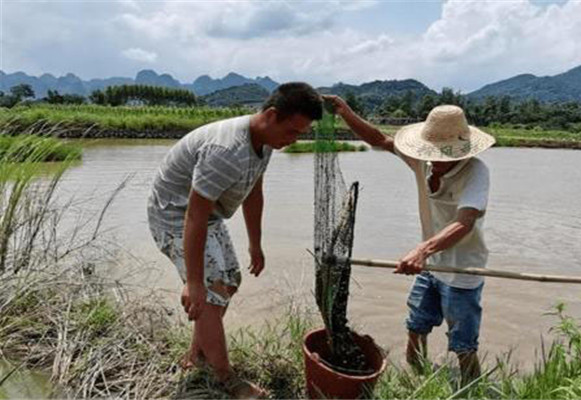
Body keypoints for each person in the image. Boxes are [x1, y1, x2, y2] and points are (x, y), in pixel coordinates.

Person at [148, 82, 322, 398]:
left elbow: (253, 193)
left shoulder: (266, 143)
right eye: (293, 131)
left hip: (207, 215)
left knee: (229, 282)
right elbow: (193, 217)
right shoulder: (226, 151)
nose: (294, 140)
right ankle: (226, 378)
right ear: (271, 115)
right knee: (210, 291)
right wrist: (195, 280)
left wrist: (255, 244)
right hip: (174, 216)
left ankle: (196, 357)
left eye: (300, 134)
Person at [323, 95, 495, 386]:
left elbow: (464, 222)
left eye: (444, 156)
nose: (436, 162)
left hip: (463, 272)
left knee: (463, 344)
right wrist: (346, 113)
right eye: (433, 154)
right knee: (415, 326)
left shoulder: (476, 172)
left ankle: (471, 390)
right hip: (429, 266)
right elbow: (380, 139)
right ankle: (414, 383)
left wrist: (422, 249)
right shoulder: (423, 162)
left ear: (462, 151)